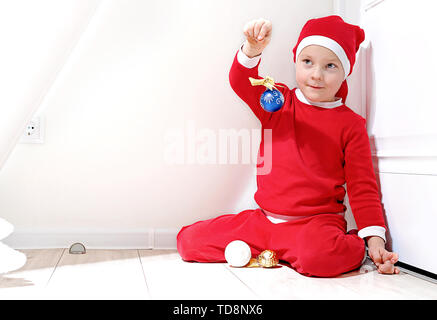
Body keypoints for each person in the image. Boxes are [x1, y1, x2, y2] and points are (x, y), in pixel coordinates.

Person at [177, 15, 399, 277]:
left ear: (345, 71)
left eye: (330, 66)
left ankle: (353, 246)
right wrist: (252, 51)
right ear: (296, 61)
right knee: (188, 242)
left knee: (319, 259)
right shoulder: (278, 101)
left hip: (314, 225)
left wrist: (375, 241)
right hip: (263, 222)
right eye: (307, 62)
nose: (316, 75)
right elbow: (240, 80)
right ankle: (276, 253)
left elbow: (363, 187)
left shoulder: (351, 125)